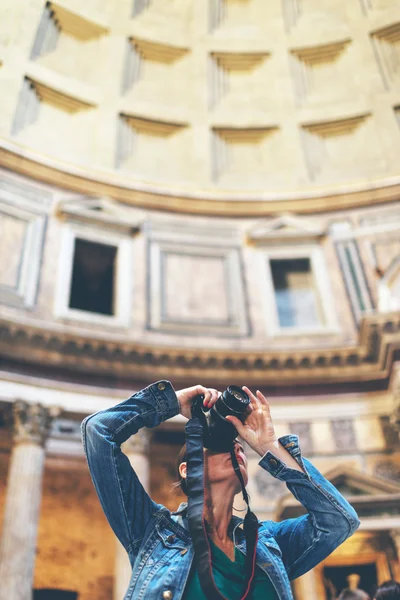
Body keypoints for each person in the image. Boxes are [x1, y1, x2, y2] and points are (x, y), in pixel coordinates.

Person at [81, 381, 360, 600]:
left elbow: (338, 522)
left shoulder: (267, 542)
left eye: (240, 447)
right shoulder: (152, 532)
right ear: (187, 469)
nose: (235, 448)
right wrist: (172, 403)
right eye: (217, 444)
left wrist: (270, 448)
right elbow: (98, 432)